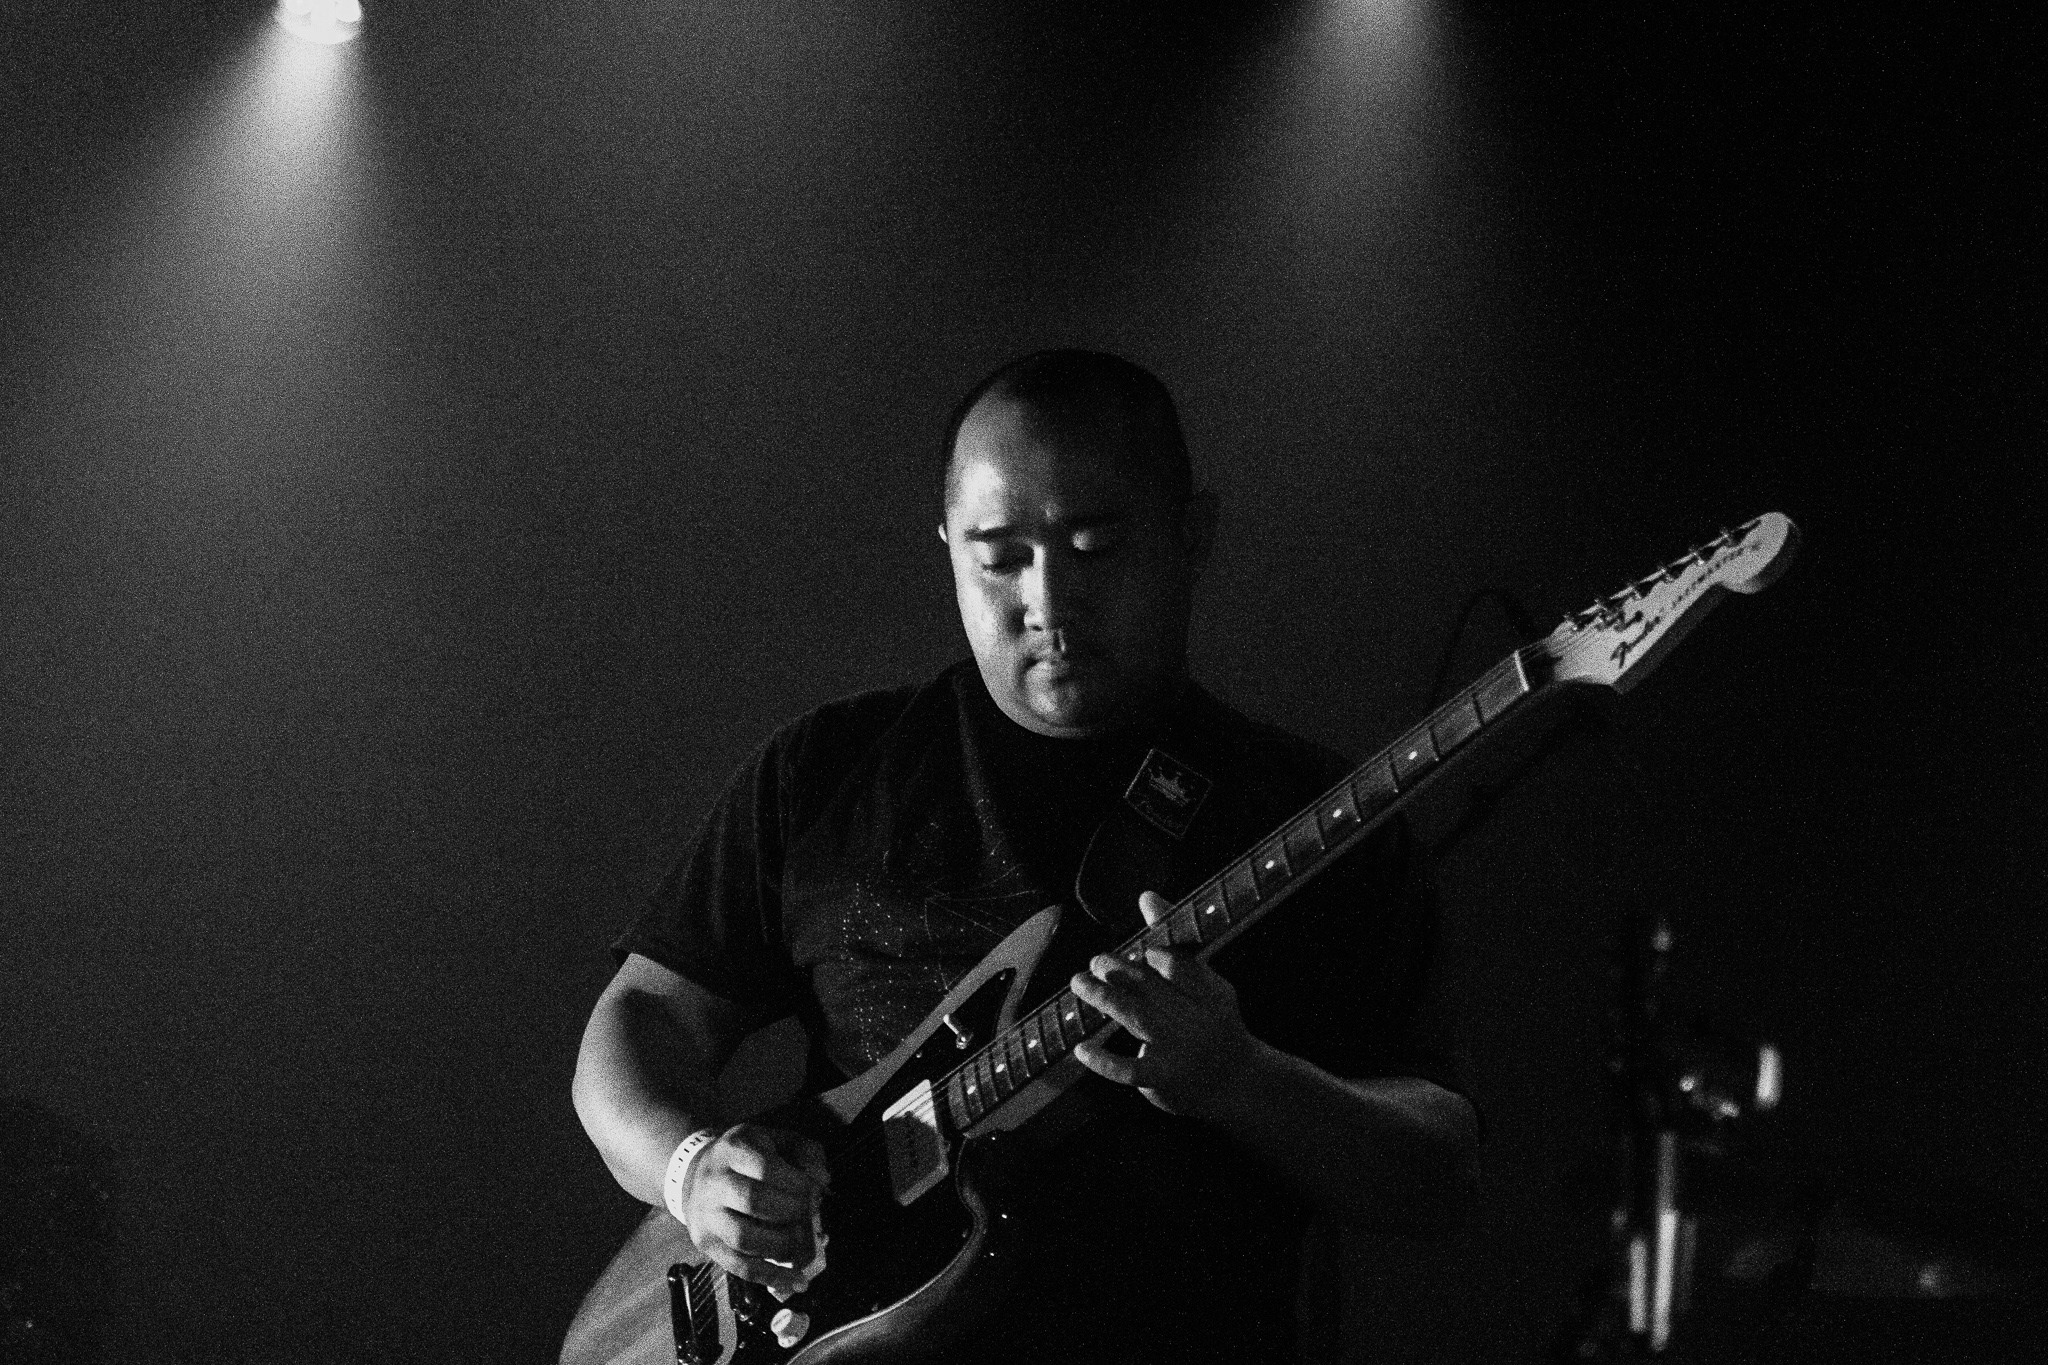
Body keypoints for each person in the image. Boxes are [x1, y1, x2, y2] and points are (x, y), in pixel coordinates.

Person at [572, 349, 1479, 1363]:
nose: (1048, 598)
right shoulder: (828, 769)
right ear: (947, 548)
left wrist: (1242, 1079)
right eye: (1000, 557)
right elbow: (641, 1019)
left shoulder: (1311, 819)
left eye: (1095, 548)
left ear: (1191, 537)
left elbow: (1439, 1171)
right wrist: (693, 1167)